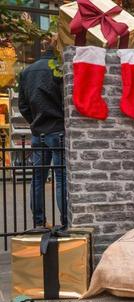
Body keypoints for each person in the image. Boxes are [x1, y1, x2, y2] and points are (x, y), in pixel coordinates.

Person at [18, 34, 66, 227]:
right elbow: (65, 102)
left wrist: (35, 122)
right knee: (62, 177)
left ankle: (39, 223)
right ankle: (65, 223)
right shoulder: (59, 70)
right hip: (58, 130)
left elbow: (23, 105)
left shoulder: (27, 71)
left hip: (39, 132)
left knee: (37, 178)